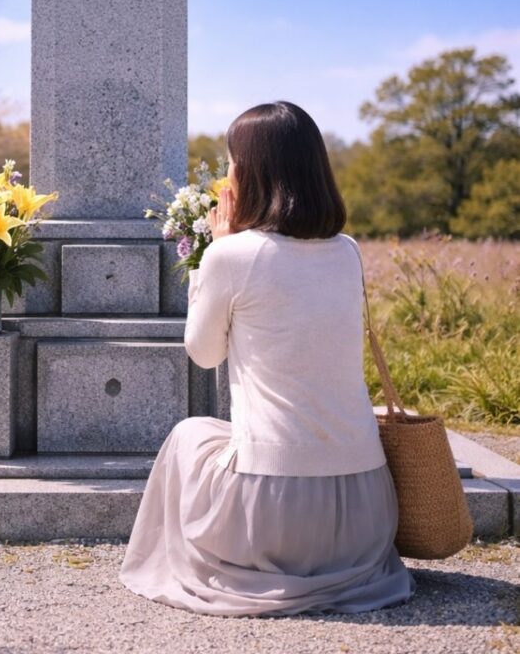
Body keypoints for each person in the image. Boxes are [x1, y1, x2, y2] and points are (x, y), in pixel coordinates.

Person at [118, 100, 417, 617]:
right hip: (365, 518)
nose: (229, 172)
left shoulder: (230, 255)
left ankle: (209, 562)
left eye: (233, 159)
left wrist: (208, 256)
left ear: (251, 172)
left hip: (273, 515)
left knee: (189, 434)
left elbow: (204, 353)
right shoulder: (347, 251)